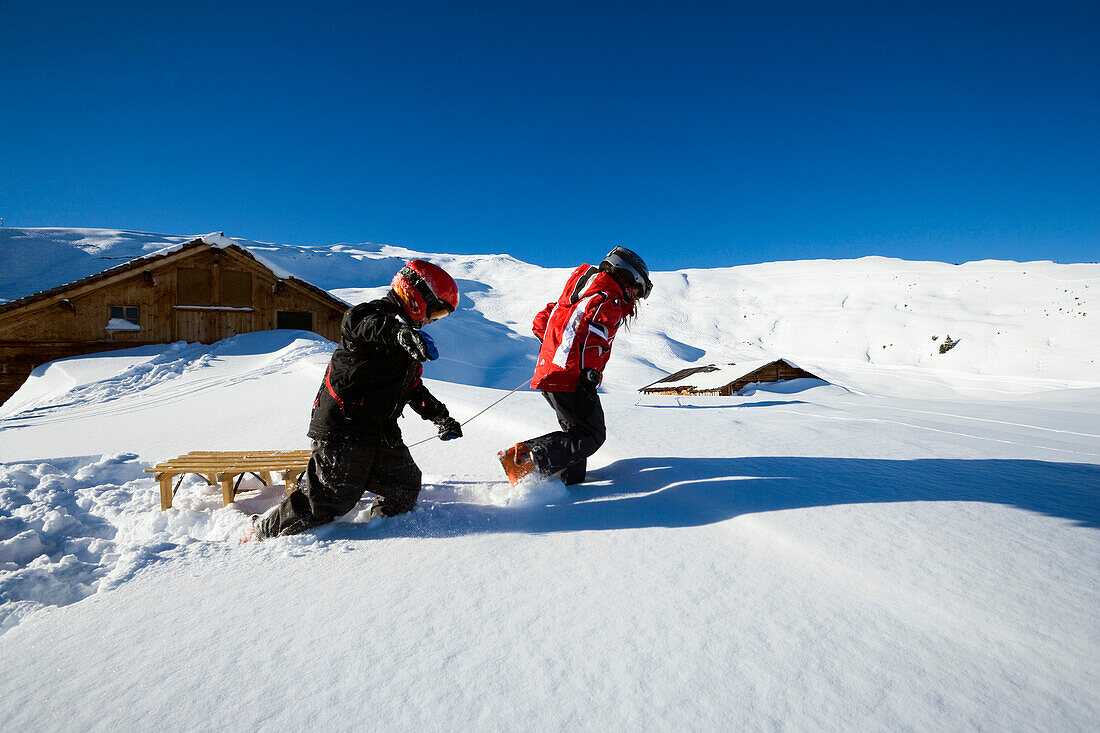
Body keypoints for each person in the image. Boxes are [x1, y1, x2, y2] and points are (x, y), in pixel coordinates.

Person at [249, 259, 464, 540]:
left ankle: (382, 530)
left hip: (380, 429)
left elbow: (411, 386)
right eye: (435, 311)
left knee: (404, 484)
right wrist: (398, 333)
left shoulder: (406, 338)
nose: (431, 320)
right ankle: (263, 532)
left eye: (439, 316)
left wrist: (441, 416)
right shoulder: (371, 316)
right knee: (330, 498)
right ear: (416, 294)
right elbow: (362, 324)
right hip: (345, 423)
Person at [499, 246, 652, 487]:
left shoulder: (579, 292)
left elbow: (542, 320)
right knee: (591, 436)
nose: (633, 296)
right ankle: (523, 459)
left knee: (576, 436)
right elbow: (593, 340)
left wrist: (553, 348)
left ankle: (566, 481)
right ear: (627, 276)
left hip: (553, 372)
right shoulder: (608, 299)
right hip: (572, 378)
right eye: (636, 289)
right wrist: (587, 380)